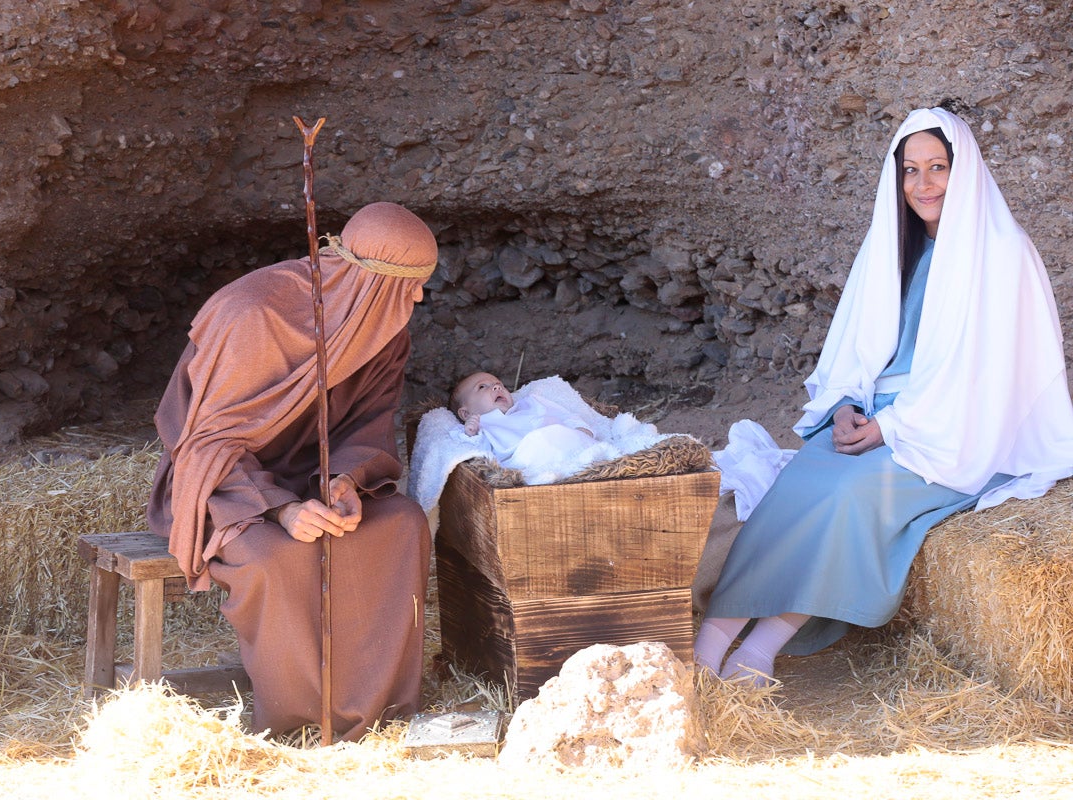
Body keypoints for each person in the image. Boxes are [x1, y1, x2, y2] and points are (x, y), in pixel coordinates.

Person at [693, 107, 1073, 686]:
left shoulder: (1004, 253)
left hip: (959, 430)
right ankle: (709, 644)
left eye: (939, 167)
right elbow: (857, 345)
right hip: (883, 415)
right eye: (910, 170)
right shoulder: (896, 246)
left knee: (850, 492)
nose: (924, 185)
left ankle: (759, 648)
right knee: (805, 475)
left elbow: (989, 378)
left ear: (964, 170)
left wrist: (892, 428)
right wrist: (846, 405)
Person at [146, 201, 438, 741]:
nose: (418, 298)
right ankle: (300, 727)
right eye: (410, 284)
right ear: (370, 279)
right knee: (275, 558)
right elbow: (208, 442)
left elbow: (370, 421)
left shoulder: (382, 324)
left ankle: (378, 720)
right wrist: (281, 509)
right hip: (230, 485)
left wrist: (344, 480)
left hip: (314, 477)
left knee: (399, 527)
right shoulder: (251, 314)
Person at [449, 370, 620, 484]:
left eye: (499, 383)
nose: (496, 386)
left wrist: (581, 431)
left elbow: (567, 416)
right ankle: (551, 475)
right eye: (482, 387)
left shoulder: (532, 403)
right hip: (527, 459)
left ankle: (589, 460)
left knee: (582, 447)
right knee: (535, 455)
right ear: (465, 413)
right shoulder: (481, 426)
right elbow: (479, 456)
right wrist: (471, 433)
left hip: (563, 442)